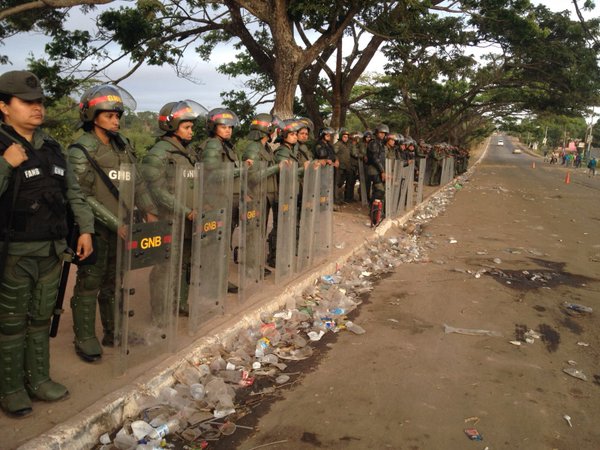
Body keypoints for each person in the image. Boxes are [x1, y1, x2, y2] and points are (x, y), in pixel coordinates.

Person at [0, 70, 94, 416]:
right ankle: (10, 388)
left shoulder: (53, 148)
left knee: (41, 318)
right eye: (27, 102)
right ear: (4, 107)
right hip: (14, 251)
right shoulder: (1, 145)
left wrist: (85, 229)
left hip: (52, 249)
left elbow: (73, 192)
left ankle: (38, 380)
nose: (36, 108)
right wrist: (5, 164)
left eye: (39, 102)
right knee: (10, 322)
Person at [68, 84, 157, 362]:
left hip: (124, 227)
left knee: (115, 280)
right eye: (109, 115)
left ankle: (114, 330)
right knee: (89, 283)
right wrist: (113, 222)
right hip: (94, 228)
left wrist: (150, 210)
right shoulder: (80, 150)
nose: (116, 120)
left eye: (118, 115)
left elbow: (138, 182)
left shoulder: (124, 146)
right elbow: (81, 195)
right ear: (92, 116)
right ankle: (84, 337)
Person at [141, 100, 205, 318]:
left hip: (190, 218)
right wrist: (185, 210)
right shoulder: (159, 154)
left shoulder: (187, 152)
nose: (191, 131)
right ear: (171, 126)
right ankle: (159, 312)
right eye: (187, 127)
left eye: (191, 127)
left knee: (186, 262)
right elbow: (156, 190)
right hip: (169, 219)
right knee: (165, 267)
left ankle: (180, 302)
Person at [198, 108, 252, 293]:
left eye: (230, 127)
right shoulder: (214, 145)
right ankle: (215, 282)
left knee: (221, 242)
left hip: (225, 199)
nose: (228, 130)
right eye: (223, 127)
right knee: (217, 243)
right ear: (213, 127)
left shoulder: (225, 145)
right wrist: (241, 169)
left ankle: (217, 280)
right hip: (215, 200)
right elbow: (211, 174)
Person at [241, 113, 279, 271]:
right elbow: (253, 177)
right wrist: (277, 168)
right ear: (267, 130)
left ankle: (255, 263)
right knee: (253, 232)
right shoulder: (253, 148)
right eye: (273, 130)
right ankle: (250, 266)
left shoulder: (266, 148)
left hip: (265, 196)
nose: (275, 133)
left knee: (259, 231)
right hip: (254, 195)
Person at [333, 128, 356, 203]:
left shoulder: (348, 145)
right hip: (339, 167)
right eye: (344, 137)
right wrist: (336, 160)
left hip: (346, 167)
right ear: (341, 136)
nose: (346, 138)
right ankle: (335, 199)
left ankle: (341, 198)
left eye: (347, 137)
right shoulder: (338, 144)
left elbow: (353, 153)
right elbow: (334, 153)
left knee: (341, 183)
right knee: (337, 183)